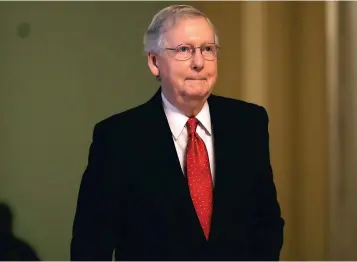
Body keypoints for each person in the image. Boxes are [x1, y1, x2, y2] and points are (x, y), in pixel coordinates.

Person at [71, 4, 284, 261]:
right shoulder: (118, 138)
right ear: (154, 61)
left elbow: (267, 222)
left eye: (207, 49)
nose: (199, 62)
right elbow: (91, 246)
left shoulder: (248, 123)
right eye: (184, 50)